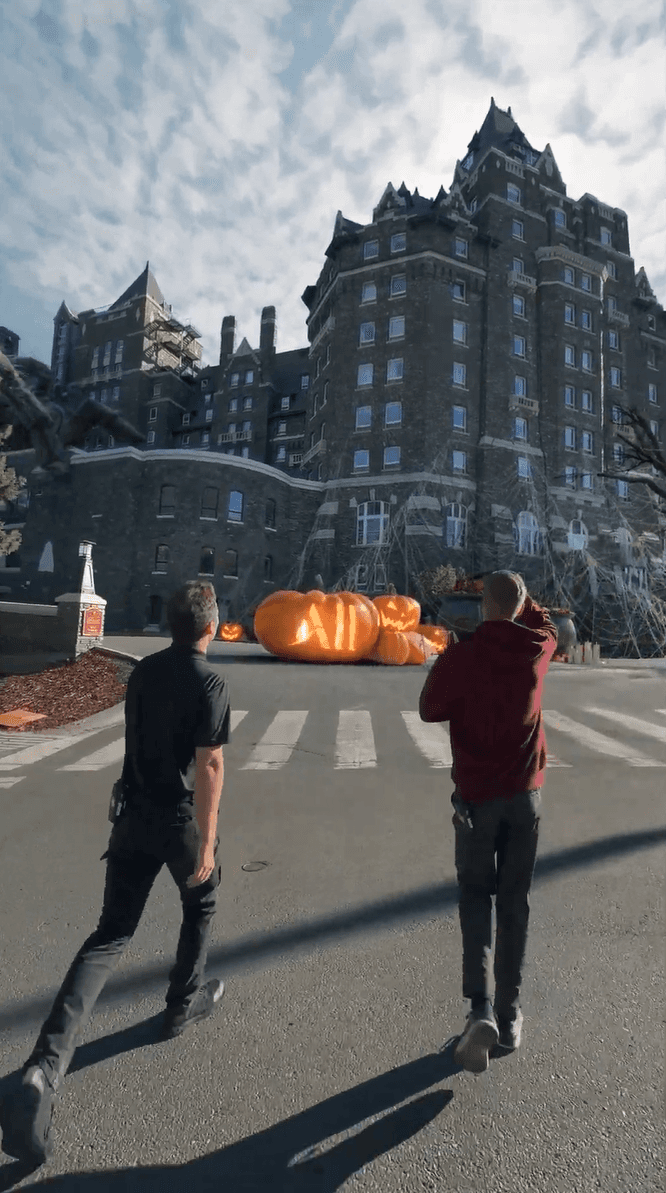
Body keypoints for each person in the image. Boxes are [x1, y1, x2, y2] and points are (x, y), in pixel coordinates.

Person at [0, 581, 230, 1166]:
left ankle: (44, 1068)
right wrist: (207, 841)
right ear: (209, 627)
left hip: (131, 817)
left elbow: (137, 741)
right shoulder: (210, 682)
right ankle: (183, 1002)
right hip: (177, 820)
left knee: (110, 935)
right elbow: (210, 765)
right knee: (200, 898)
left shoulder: (144, 674)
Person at [419, 570, 557, 1074]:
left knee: (475, 897)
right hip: (525, 799)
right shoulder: (537, 649)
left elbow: (429, 709)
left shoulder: (464, 656)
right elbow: (545, 623)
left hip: (476, 802)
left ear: (482, 606)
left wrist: (452, 659)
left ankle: (479, 1009)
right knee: (514, 902)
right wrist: (521, 602)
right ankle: (511, 1013)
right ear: (522, 607)